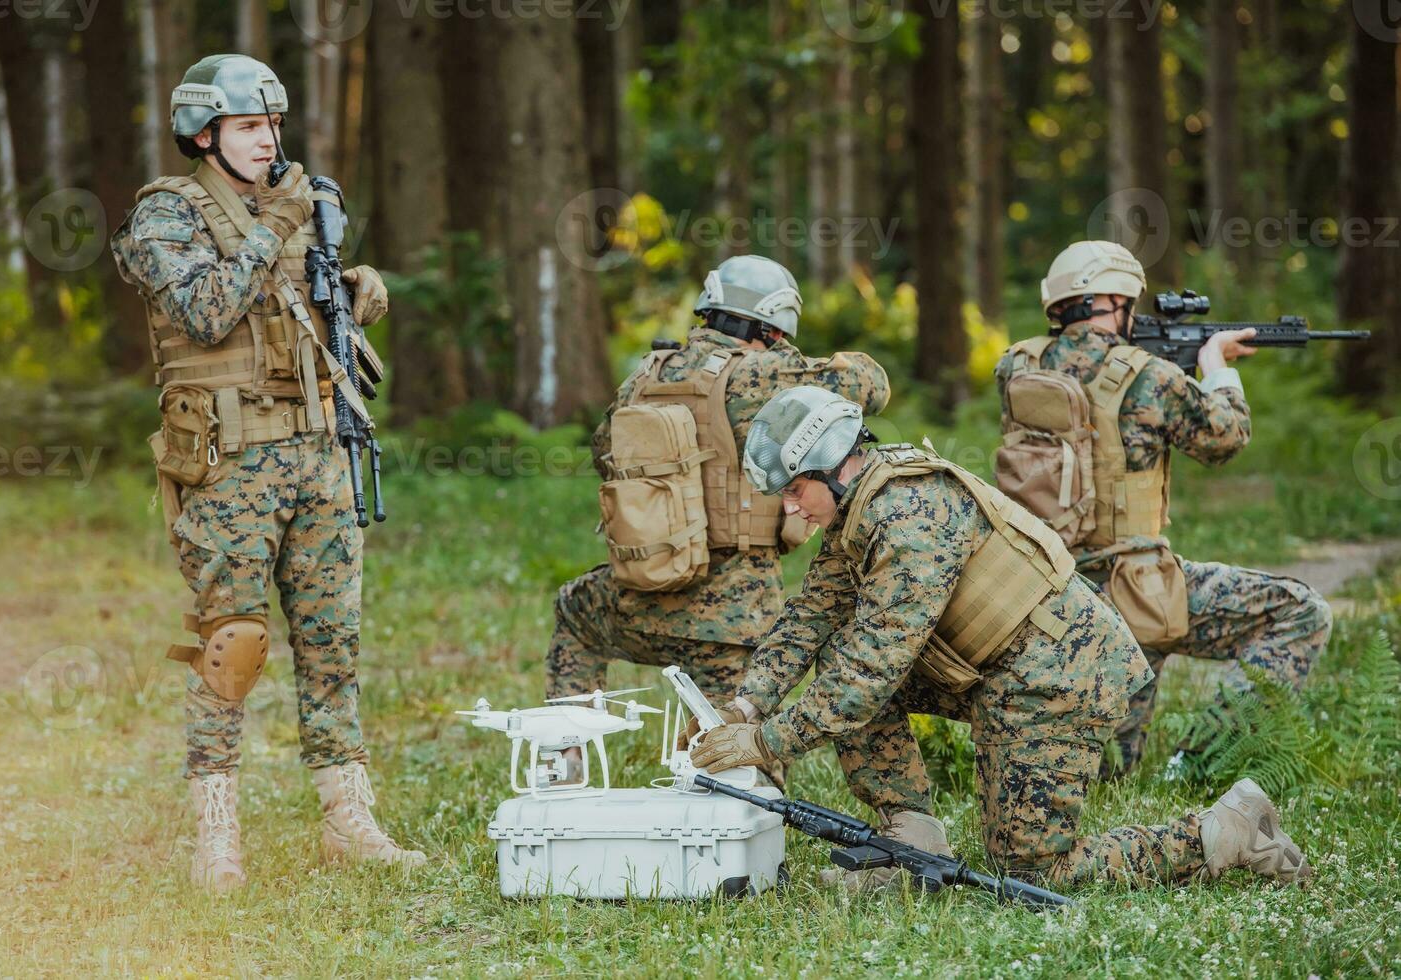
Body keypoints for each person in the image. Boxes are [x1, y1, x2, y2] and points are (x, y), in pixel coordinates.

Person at [690, 386, 1311, 889]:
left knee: (1031, 873)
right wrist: (744, 705)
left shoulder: (909, 518)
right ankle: (912, 843)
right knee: (836, 653)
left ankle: (1227, 830)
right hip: (1001, 671)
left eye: (795, 491)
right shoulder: (864, 507)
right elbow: (811, 617)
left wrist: (767, 741)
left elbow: (869, 673)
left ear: (834, 465)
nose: (791, 510)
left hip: (1057, 681)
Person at [111, 54, 417, 892]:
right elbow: (206, 312)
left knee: (333, 643)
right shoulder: (165, 215)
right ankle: (217, 838)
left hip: (317, 451)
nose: (267, 141)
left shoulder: (292, 210)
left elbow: (298, 315)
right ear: (204, 134)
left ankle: (347, 818)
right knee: (232, 648)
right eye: (249, 127)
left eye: (274, 125)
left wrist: (348, 294)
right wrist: (278, 225)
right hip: (228, 463)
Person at [994, 241, 1331, 777]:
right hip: (1135, 592)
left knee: (1106, 777)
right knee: (1300, 610)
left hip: (1043, 592)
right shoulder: (1151, 376)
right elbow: (1227, 438)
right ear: (1112, 298)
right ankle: (1199, 763)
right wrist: (1215, 369)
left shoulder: (1016, 364)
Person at [546, 255, 889, 715]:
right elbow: (872, 385)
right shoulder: (764, 375)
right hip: (736, 617)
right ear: (772, 326)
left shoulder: (645, 375)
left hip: (639, 596)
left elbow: (603, 455)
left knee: (574, 613)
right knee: (736, 749)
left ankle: (566, 751)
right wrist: (783, 357)